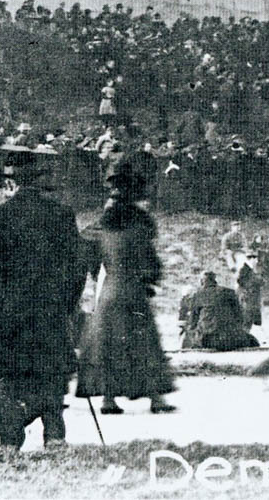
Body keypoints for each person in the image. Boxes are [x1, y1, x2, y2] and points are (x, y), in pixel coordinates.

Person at [0, 155, 90, 451]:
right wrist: (66, 303)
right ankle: (54, 434)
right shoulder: (61, 214)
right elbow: (78, 266)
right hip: (49, 310)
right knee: (50, 372)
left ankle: (10, 439)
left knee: (12, 376)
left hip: (8, 316)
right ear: (38, 180)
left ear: (13, 182)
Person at [77, 154, 176, 415]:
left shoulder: (102, 226)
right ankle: (156, 398)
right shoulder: (140, 225)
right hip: (133, 290)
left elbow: (87, 251)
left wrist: (97, 273)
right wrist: (150, 280)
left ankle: (109, 399)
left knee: (107, 345)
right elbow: (152, 264)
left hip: (109, 289)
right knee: (144, 344)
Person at [179, 271, 258, 351]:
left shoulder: (198, 294)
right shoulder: (229, 292)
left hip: (208, 340)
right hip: (231, 339)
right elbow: (239, 317)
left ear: (202, 281)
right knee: (253, 341)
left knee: (189, 338)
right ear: (215, 280)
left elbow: (193, 321)